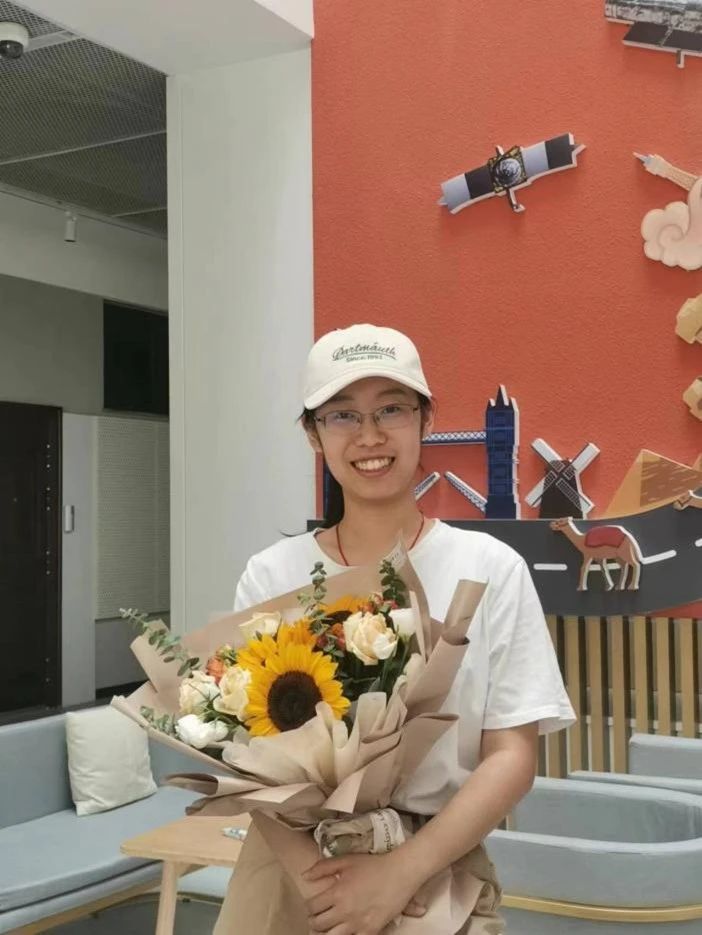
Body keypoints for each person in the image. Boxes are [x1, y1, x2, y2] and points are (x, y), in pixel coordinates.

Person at [216, 323, 575, 935]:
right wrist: (326, 890)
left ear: (425, 420)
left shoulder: (491, 569)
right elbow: (247, 758)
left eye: (391, 409)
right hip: (293, 875)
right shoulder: (271, 575)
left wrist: (399, 873)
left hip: (435, 871)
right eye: (342, 415)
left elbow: (512, 755)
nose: (370, 435)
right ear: (313, 434)